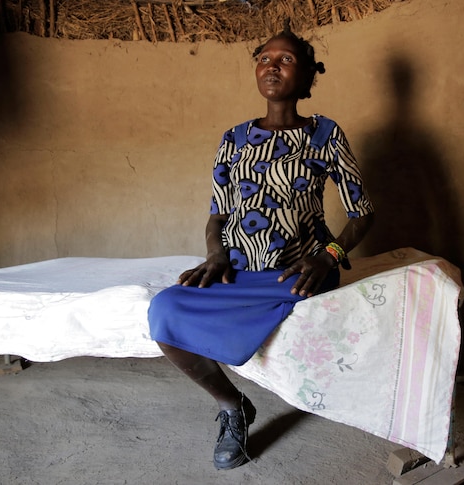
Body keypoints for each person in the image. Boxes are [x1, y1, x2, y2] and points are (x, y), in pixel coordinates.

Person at [147, 24, 374, 471]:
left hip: (299, 272)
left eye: (286, 59)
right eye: (265, 58)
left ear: (308, 76)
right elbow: (217, 216)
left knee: (294, 299)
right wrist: (215, 257)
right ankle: (233, 406)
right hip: (238, 271)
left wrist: (329, 255)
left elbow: (362, 211)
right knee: (164, 311)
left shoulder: (324, 134)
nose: (272, 65)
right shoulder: (232, 139)